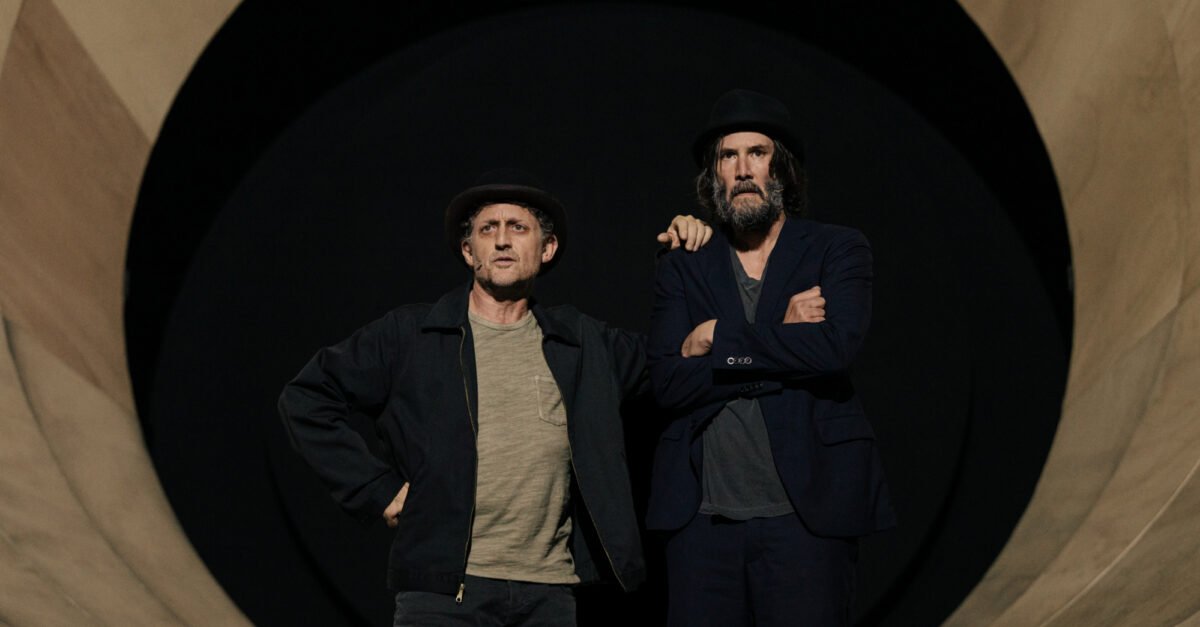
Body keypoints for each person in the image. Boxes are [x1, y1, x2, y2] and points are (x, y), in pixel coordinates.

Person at [278, 169, 711, 626]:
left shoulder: (583, 342)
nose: (502, 240)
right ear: (469, 252)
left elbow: (679, 357)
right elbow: (306, 398)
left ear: (547, 248)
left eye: (518, 227)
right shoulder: (412, 335)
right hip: (442, 594)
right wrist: (374, 488)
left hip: (548, 594)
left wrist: (687, 260)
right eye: (488, 229)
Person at [645, 89, 896, 626]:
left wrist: (717, 340)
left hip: (806, 520)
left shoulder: (837, 248)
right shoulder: (684, 263)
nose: (742, 170)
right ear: (714, 173)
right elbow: (666, 381)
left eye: (756, 153)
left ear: (780, 167)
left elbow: (834, 348)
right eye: (728, 156)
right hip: (701, 527)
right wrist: (780, 337)